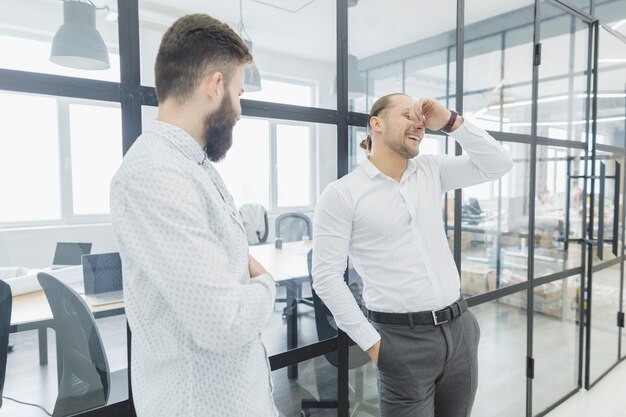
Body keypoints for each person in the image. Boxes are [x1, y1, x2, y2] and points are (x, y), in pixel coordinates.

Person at [110, 14, 278, 417]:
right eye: (238, 93)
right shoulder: (155, 174)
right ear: (215, 85)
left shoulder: (193, 166)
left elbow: (228, 273)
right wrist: (268, 285)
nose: (238, 110)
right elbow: (225, 321)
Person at [312, 93, 513, 417]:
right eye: (408, 115)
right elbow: (326, 278)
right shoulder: (342, 195)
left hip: (460, 330)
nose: (419, 123)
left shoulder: (430, 170)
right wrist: (375, 347)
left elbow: (499, 164)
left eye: (420, 118)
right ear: (376, 123)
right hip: (400, 342)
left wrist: (450, 122)